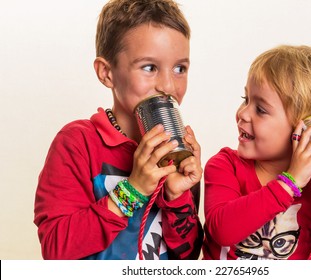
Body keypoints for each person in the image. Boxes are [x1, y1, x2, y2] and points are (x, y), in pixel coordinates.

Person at [34, 0, 203, 260]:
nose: (169, 85)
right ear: (107, 73)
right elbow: (56, 250)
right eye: (149, 67)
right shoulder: (78, 143)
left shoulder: (181, 153)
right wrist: (132, 190)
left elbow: (188, 258)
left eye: (180, 68)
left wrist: (178, 196)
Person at [202, 45, 311, 260]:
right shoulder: (225, 166)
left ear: (310, 131)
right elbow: (222, 230)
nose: (242, 114)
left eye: (261, 109)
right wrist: (288, 184)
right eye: (246, 99)